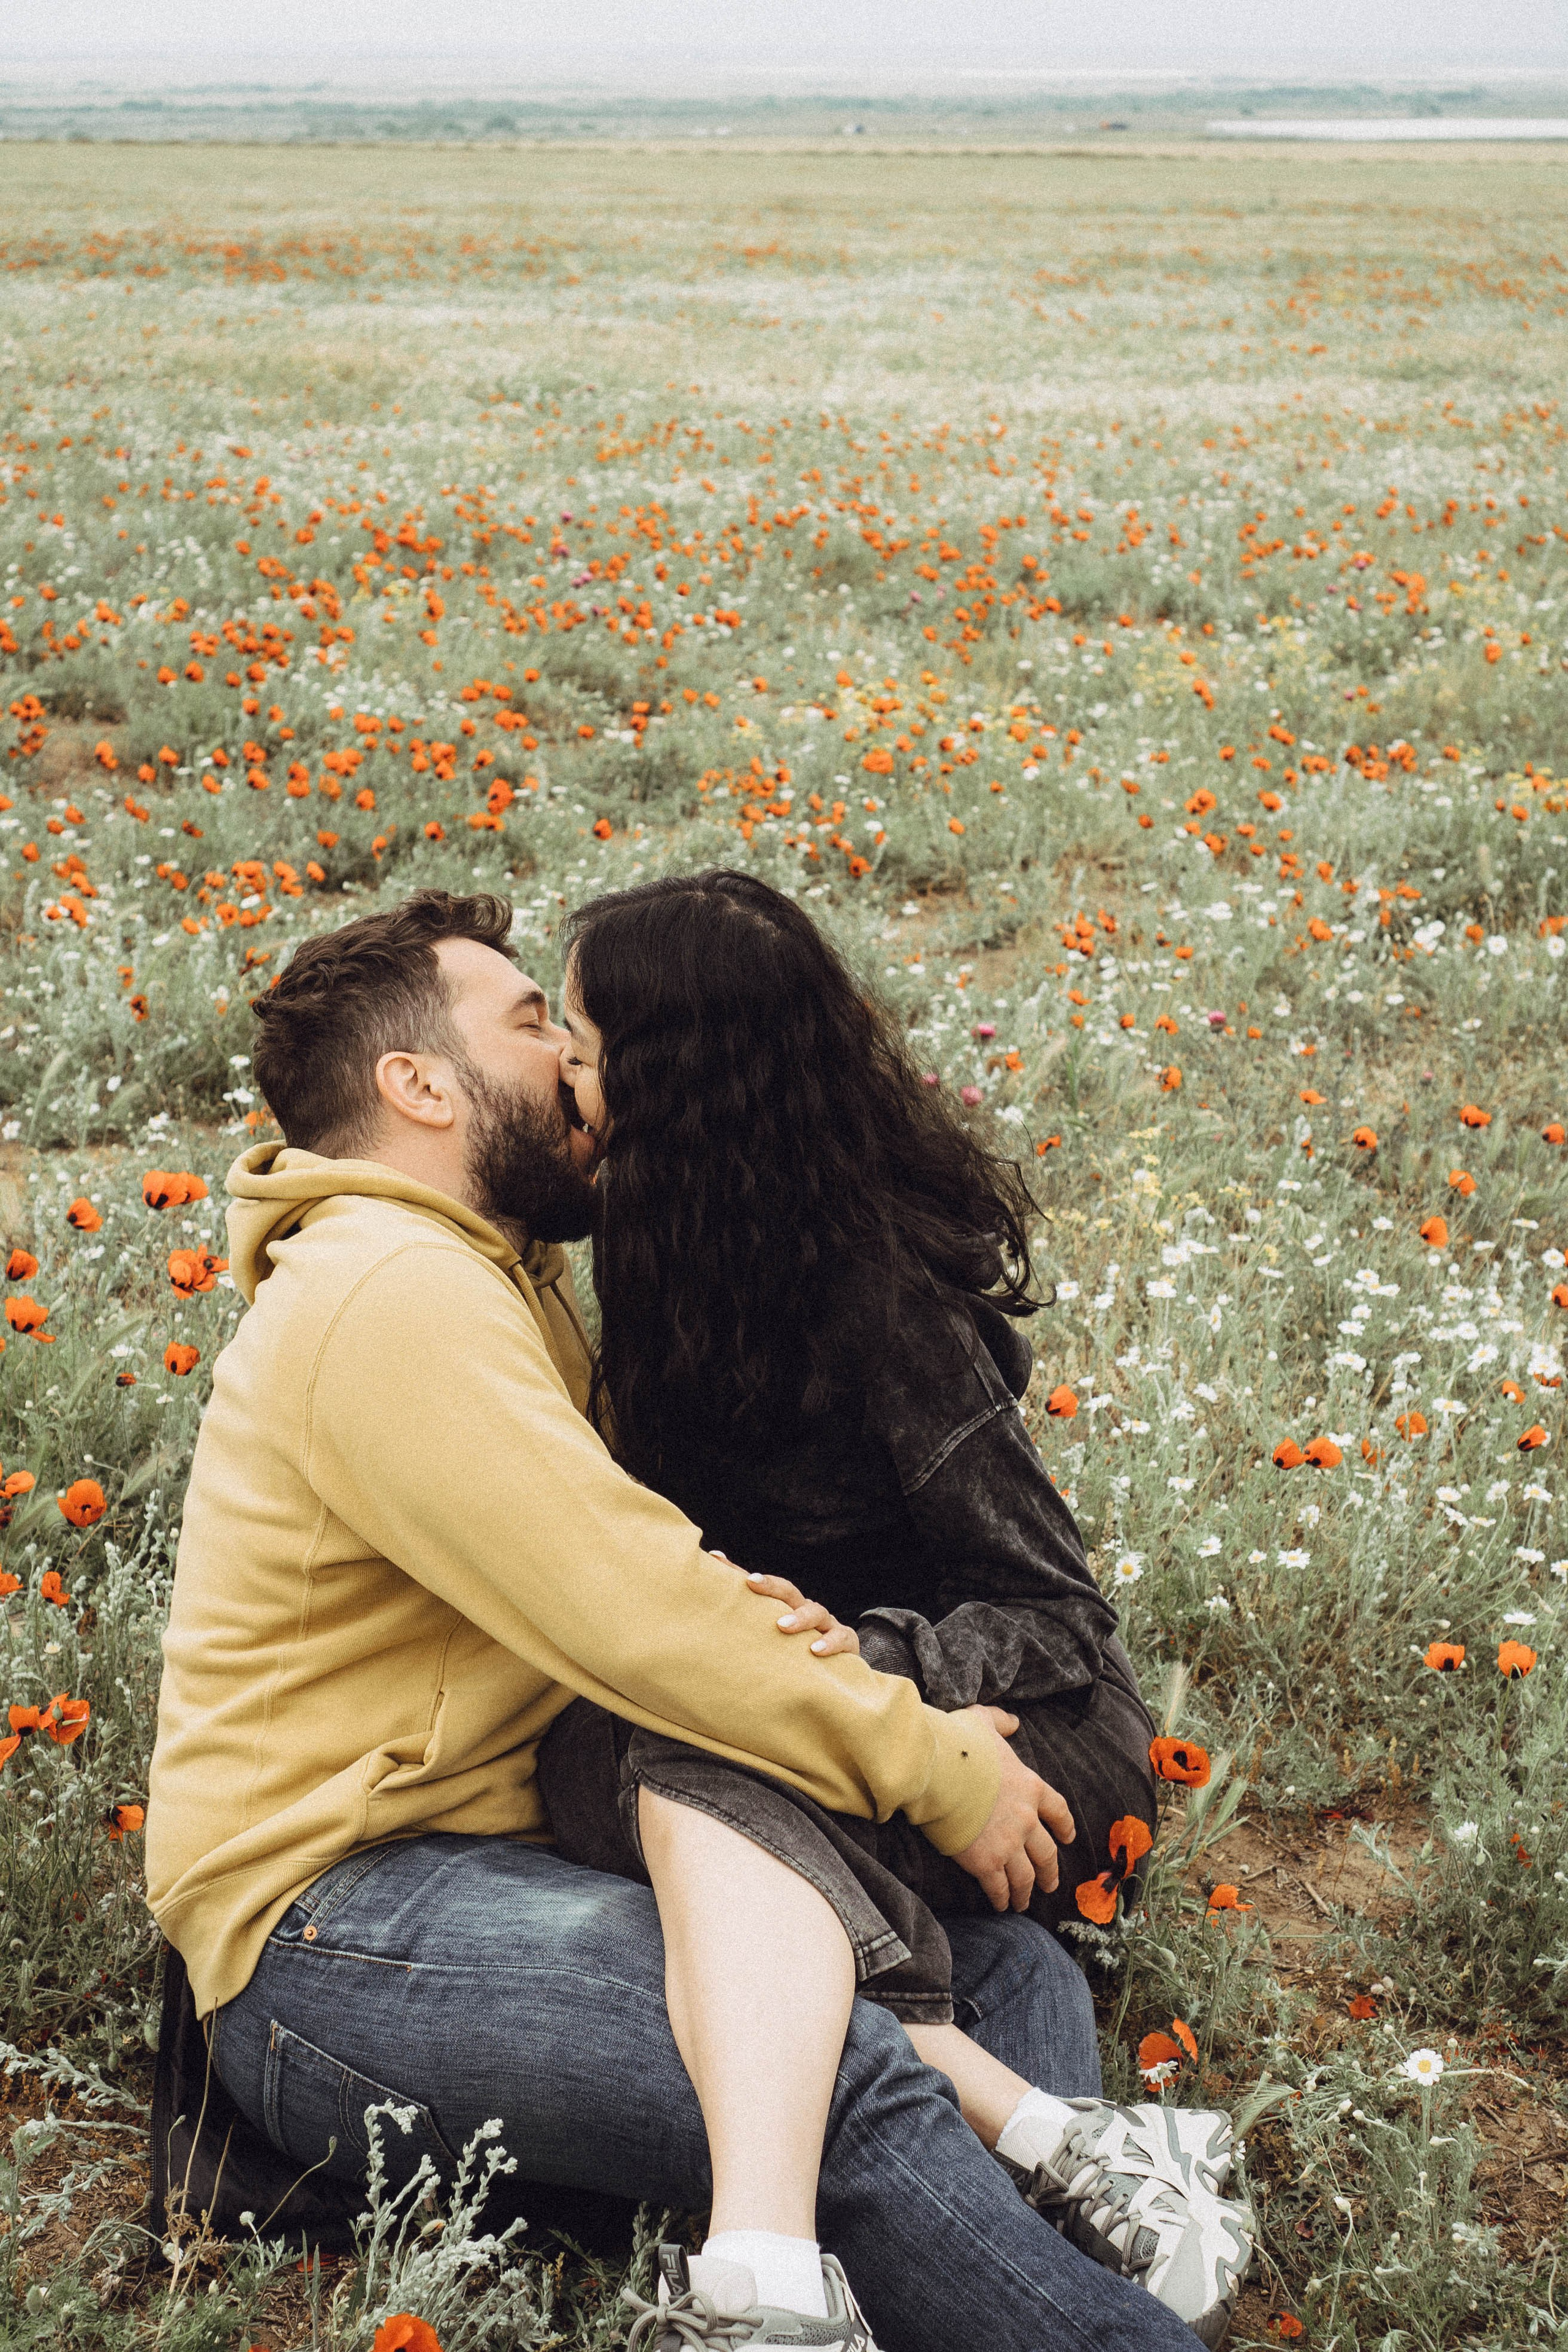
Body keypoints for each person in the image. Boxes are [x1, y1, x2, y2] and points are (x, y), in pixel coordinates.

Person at [143, 889, 1219, 2352]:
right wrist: (926, 1758)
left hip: (488, 1860)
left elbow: (655, 1584)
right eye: (533, 1025)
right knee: (815, 2057)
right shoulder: (385, 1295)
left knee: (993, 1968)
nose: (579, 1066)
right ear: (417, 1084)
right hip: (336, 1926)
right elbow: (639, 1608)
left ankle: (1070, 2220)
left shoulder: (484, 1280)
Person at [541, 866, 1253, 2342]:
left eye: (580, 1036)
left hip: (1015, 1733)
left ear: (675, 1080)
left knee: (680, 1766)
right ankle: (1069, 2144)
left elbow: (1055, 1609)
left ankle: (768, 2283)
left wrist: (872, 1664)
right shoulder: (665, 1251)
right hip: (822, 1727)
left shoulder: (872, 1285)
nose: (558, 1061)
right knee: (606, 1766)